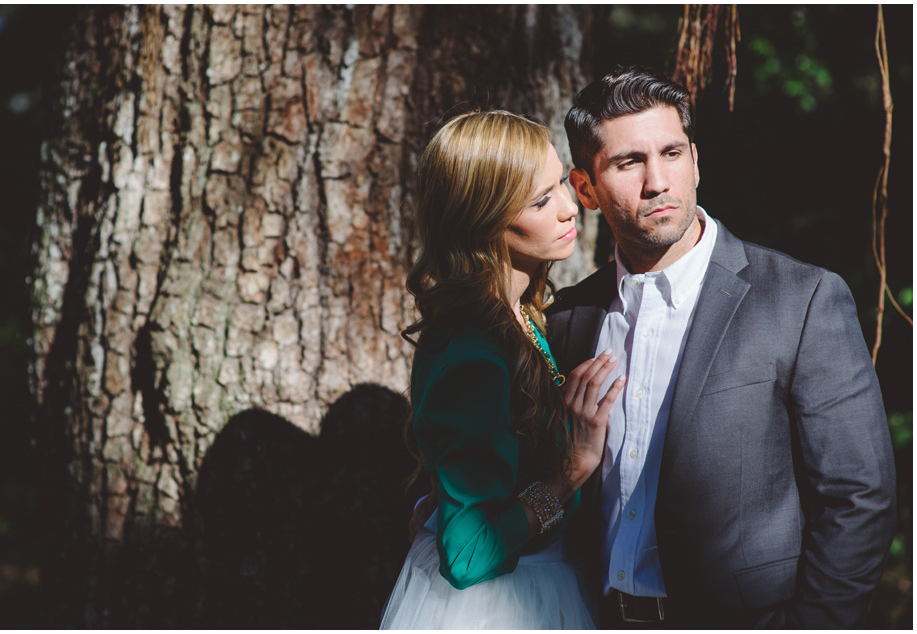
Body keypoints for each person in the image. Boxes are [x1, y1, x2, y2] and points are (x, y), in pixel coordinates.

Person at [546, 65, 897, 628]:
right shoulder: (568, 318)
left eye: (672, 153)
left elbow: (859, 498)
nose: (658, 181)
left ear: (696, 162)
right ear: (585, 187)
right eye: (629, 162)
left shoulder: (801, 300)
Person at [379, 110, 626, 629]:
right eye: (540, 200)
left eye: (561, 181)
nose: (569, 208)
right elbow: (468, 556)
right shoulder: (474, 350)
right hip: (502, 609)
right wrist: (570, 472)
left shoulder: (521, 318)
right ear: (481, 218)